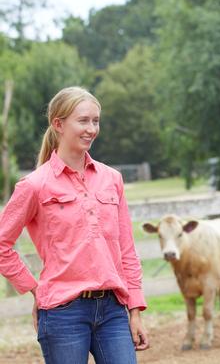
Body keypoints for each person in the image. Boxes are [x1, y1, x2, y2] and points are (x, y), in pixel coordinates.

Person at [0, 87, 149, 363]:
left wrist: (135, 309)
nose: (91, 129)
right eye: (83, 121)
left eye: (95, 121)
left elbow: (126, 249)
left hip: (113, 310)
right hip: (61, 312)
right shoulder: (34, 185)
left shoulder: (112, 179)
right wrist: (34, 287)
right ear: (58, 124)